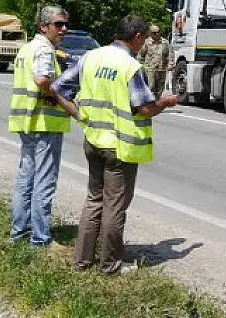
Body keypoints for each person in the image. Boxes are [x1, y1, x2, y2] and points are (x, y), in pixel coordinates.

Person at [52, 15, 178, 275]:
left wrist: (79, 115)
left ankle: (82, 261)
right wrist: (164, 103)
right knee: (114, 205)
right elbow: (144, 108)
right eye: (143, 39)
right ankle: (110, 265)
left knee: (94, 200)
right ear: (138, 37)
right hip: (119, 145)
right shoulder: (130, 66)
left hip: (93, 139)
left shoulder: (91, 57)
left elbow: (58, 88)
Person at [8, 5, 72, 247]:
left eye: (65, 24)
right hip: (44, 122)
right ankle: (40, 239)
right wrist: (62, 96)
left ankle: (19, 233)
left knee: (26, 178)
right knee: (44, 180)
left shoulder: (27, 48)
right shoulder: (45, 49)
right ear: (43, 27)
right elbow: (42, 79)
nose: (64, 29)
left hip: (26, 120)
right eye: (58, 24)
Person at [137, 24, 170, 94]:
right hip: (150, 70)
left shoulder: (165, 43)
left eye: (158, 32)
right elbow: (140, 56)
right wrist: (141, 68)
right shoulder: (146, 43)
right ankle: (150, 103)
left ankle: (157, 102)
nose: (157, 34)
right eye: (154, 33)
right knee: (150, 88)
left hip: (162, 69)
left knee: (160, 89)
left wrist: (170, 65)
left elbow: (169, 54)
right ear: (150, 33)